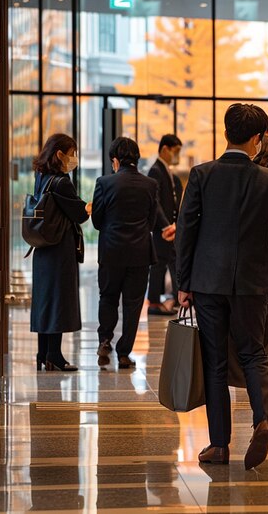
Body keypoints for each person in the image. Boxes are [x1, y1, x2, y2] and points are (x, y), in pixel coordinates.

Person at [176, 103, 268, 470]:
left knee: (214, 361)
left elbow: (186, 232)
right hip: (254, 283)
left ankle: (219, 445)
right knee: (253, 352)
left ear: (226, 134)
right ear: (257, 140)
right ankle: (260, 419)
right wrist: (264, 260)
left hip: (208, 281)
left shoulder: (201, 174)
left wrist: (184, 282)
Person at [228, 136, 268, 435]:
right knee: (267, 346)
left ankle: (252, 413)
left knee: (239, 345)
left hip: (234, 273)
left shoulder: (241, 182)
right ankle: (264, 414)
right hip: (266, 273)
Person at [92, 137, 158, 370]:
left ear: (116, 160)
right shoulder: (150, 185)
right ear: (136, 159)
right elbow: (151, 222)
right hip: (140, 253)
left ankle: (105, 340)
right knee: (133, 304)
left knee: (108, 297)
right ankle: (123, 353)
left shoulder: (104, 182)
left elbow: (97, 221)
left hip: (111, 252)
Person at [30, 134, 90, 371]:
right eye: (72, 153)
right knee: (58, 301)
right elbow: (79, 214)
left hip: (42, 247)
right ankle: (54, 355)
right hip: (59, 249)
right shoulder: (62, 182)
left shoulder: (41, 176)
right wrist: (88, 207)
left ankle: (42, 353)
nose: (74, 159)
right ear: (60, 154)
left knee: (45, 301)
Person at [147, 134, 183, 316]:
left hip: (170, 228)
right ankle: (153, 302)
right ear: (164, 149)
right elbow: (156, 201)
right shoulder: (156, 170)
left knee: (172, 262)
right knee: (160, 264)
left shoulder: (166, 170)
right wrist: (165, 226)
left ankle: (178, 297)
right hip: (162, 230)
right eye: (175, 151)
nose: (177, 156)